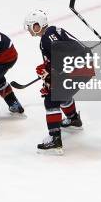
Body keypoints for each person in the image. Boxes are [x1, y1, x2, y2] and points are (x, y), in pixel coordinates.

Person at [24, 9, 84, 155]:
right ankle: (73, 119)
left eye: (31, 26)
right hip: (84, 67)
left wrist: (50, 75)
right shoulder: (53, 31)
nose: (29, 30)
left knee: (51, 101)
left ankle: (55, 140)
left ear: (38, 25)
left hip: (76, 68)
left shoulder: (46, 38)